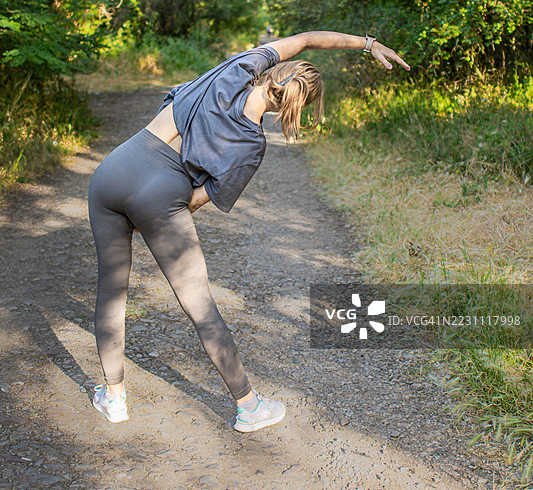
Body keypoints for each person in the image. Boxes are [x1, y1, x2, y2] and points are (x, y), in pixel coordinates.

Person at [88, 31, 410, 431]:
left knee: (111, 290)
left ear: (274, 71)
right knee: (199, 305)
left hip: (112, 171)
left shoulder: (240, 67)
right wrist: (150, 212)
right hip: (161, 199)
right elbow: (194, 200)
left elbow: (306, 39)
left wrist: (367, 43)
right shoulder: (251, 145)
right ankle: (248, 406)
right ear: (294, 107)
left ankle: (114, 398)